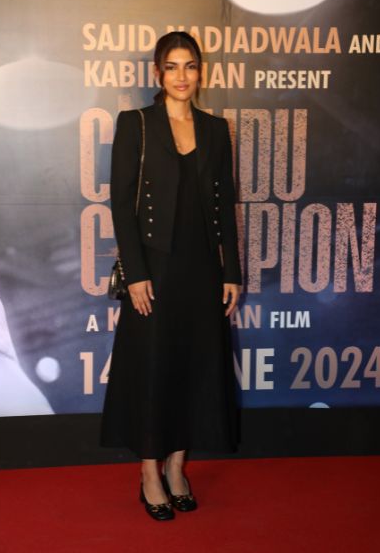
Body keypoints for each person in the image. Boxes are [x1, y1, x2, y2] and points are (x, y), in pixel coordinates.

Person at [99, 31, 242, 521]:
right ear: (158, 73)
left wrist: (231, 271)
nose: (183, 76)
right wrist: (136, 273)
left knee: (193, 366)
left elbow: (225, 206)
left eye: (191, 66)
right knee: (153, 368)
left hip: (201, 269)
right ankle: (149, 473)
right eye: (173, 66)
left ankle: (177, 467)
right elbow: (121, 204)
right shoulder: (136, 124)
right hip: (154, 267)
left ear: (201, 72)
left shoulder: (216, 129)